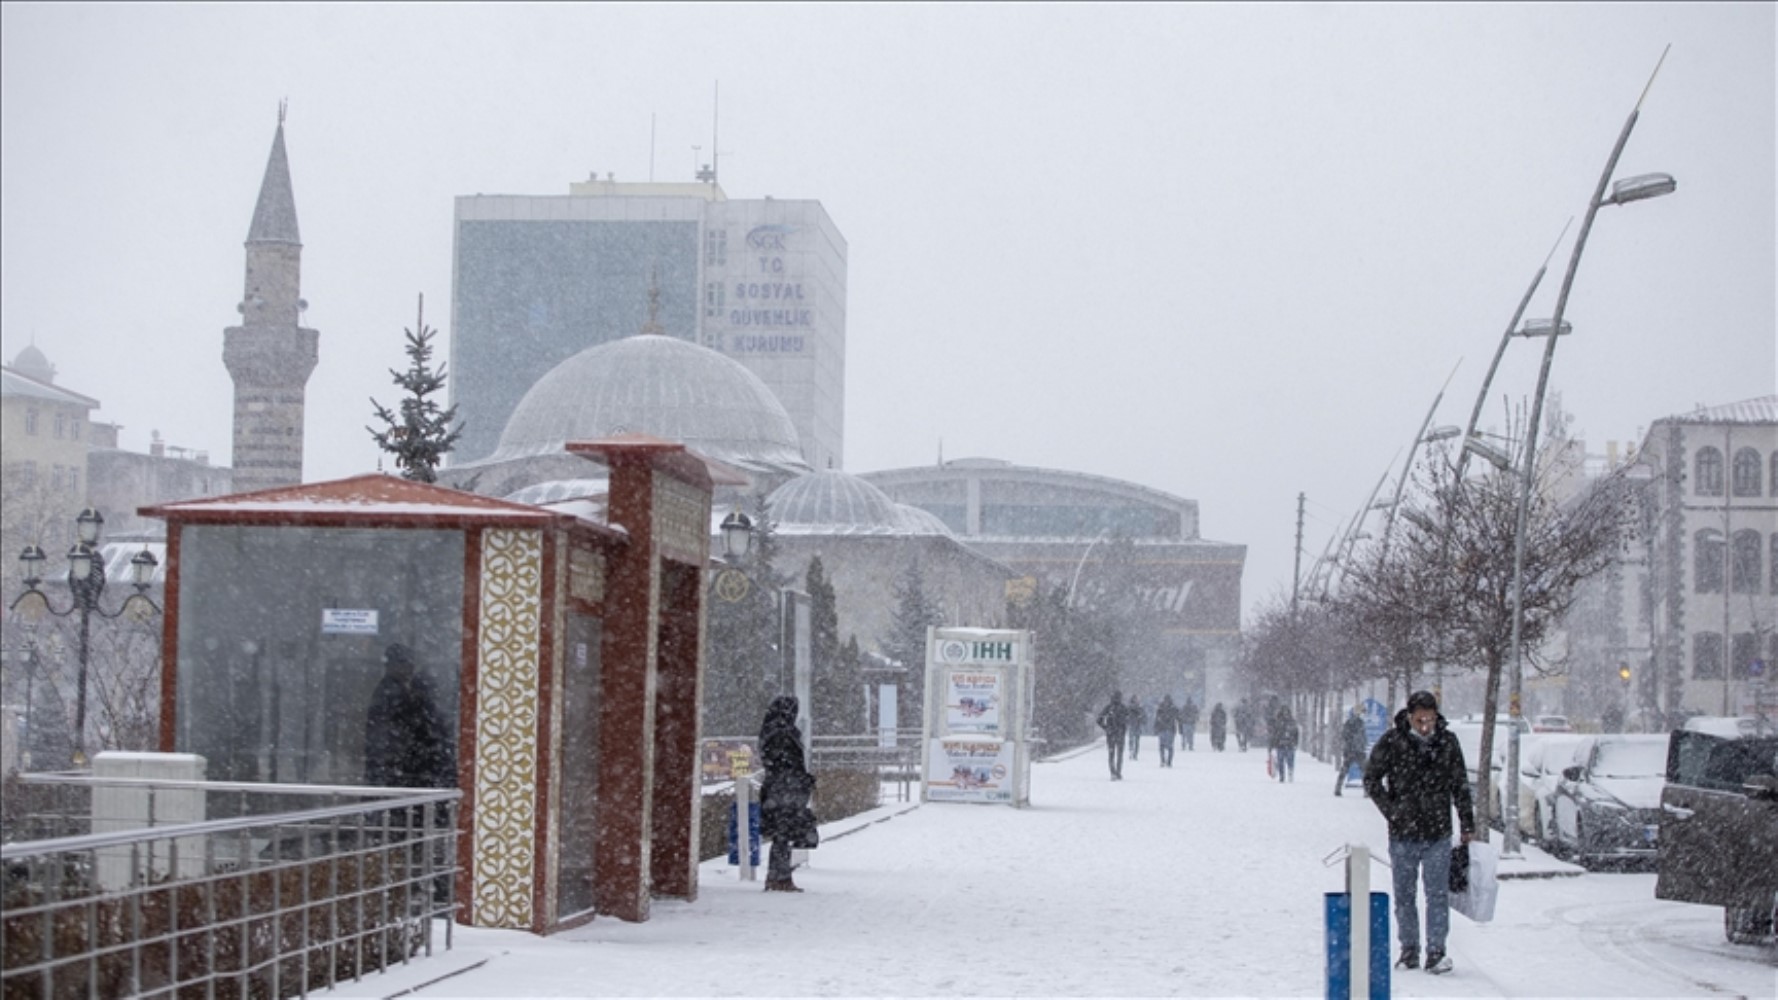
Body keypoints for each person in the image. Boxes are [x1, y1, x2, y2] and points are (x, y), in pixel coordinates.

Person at [1364, 690, 1476, 976]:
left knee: (1437, 894)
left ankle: (1436, 952)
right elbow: (1371, 778)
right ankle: (1409, 949)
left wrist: (1467, 823)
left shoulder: (1447, 742)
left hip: (1438, 831)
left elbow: (1460, 784)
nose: (1425, 726)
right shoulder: (1393, 741)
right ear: (1409, 716)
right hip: (1403, 832)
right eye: (1419, 720)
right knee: (1404, 894)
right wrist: (1392, 810)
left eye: (1430, 719)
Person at [364, 642, 454, 788]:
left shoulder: (393, 690)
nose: (410, 668)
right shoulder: (392, 692)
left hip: (396, 764)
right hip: (396, 765)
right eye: (405, 663)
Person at [759, 695, 817, 892]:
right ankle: (779, 877)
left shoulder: (770, 731)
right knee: (783, 834)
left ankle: (779, 876)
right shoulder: (782, 734)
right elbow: (787, 763)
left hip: (779, 789)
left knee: (782, 834)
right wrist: (800, 778)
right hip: (784, 790)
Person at [1335, 705, 1369, 796]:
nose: (1364, 714)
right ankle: (1366, 791)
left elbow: (1345, 735)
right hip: (1357, 750)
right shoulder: (1358, 723)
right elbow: (1360, 737)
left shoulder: (1350, 722)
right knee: (1364, 771)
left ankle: (1337, 788)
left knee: (1345, 769)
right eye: (1363, 712)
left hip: (1350, 750)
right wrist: (1361, 745)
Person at [1096, 691, 1128, 780]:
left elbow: (1099, 719)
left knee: (1111, 754)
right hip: (1120, 734)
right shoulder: (1123, 708)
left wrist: (1106, 728)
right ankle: (1118, 772)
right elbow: (1128, 720)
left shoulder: (1109, 707)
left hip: (1111, 734)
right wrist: (1123, 728)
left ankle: (1113, 772)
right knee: (1119, 754)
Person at [1270, 706, 1299, 782]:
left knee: (1287, 760)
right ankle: (1283, 775)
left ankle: (1288, 773)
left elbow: (1296, 733)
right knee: (1282, 761)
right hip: (1283, 744)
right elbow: (1274, 734)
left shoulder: (1284, 722)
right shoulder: (1280, 722)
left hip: (1286, 744)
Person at [1151, 695, 1180, 767]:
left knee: (1162, 745)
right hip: (1169, 729)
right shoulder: (1173, 708)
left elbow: (1157, 719)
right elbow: (1178, 718)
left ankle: (1163, 760)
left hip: (1163, 728)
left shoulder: (1161, 708)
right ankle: (1168, 761)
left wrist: (1155, 728)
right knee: (1169, 746)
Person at [1126, 696, 1146, 760]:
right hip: (1136, 725)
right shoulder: (1139, 708)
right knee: (1136, 741)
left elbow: (1126, 716)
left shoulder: (1129, 708)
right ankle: (1134, 753)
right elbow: (1144, 717)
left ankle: (1132, 752)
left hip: (1133, 725)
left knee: (1133, 740)